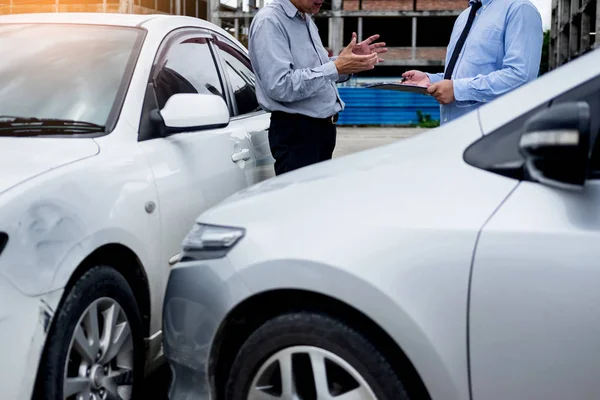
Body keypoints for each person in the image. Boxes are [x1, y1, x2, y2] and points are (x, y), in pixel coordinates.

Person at [248, 0, 387, 175]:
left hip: (320, 131)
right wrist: (336, 67)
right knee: (300, 200)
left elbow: (317, 72)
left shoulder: (305, 19)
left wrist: (349, 61)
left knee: (317, 199)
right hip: (297, 134)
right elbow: (280, 85)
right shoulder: (270, 22)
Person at [402, 0, 543, 125]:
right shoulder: (464, 17)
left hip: (493, 137)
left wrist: (457, 90)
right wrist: (430, 79)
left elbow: (521, 76)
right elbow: (460, 77)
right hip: (452, 131)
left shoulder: (520, 8)